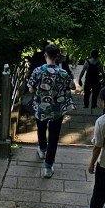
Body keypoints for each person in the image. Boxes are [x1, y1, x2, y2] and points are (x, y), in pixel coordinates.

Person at [26, 44, 74, 177]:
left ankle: (42, 149)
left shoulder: (37, 71)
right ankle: (48, 166)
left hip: (40, 107)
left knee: (41, 129)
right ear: (58, 56)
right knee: (53, 136)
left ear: (45, 55)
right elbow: (72, 86)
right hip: (56, 110)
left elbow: (30, 88)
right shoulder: (63, 73)